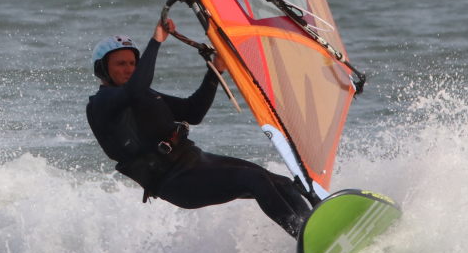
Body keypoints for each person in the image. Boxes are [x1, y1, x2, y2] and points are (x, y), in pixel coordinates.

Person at [86, 19, 313, 235]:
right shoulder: (102, 103)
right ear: (103, 69)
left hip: (196, 161)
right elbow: (135, 90)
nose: (129, 69)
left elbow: (193, 112)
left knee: (282, 183)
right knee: (256, 180)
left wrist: (216, 70)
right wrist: (156, 41)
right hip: (175, 181)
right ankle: (304, 239)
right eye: (121, 64)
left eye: (133, 63)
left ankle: (314, 228)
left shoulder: (145, 95)